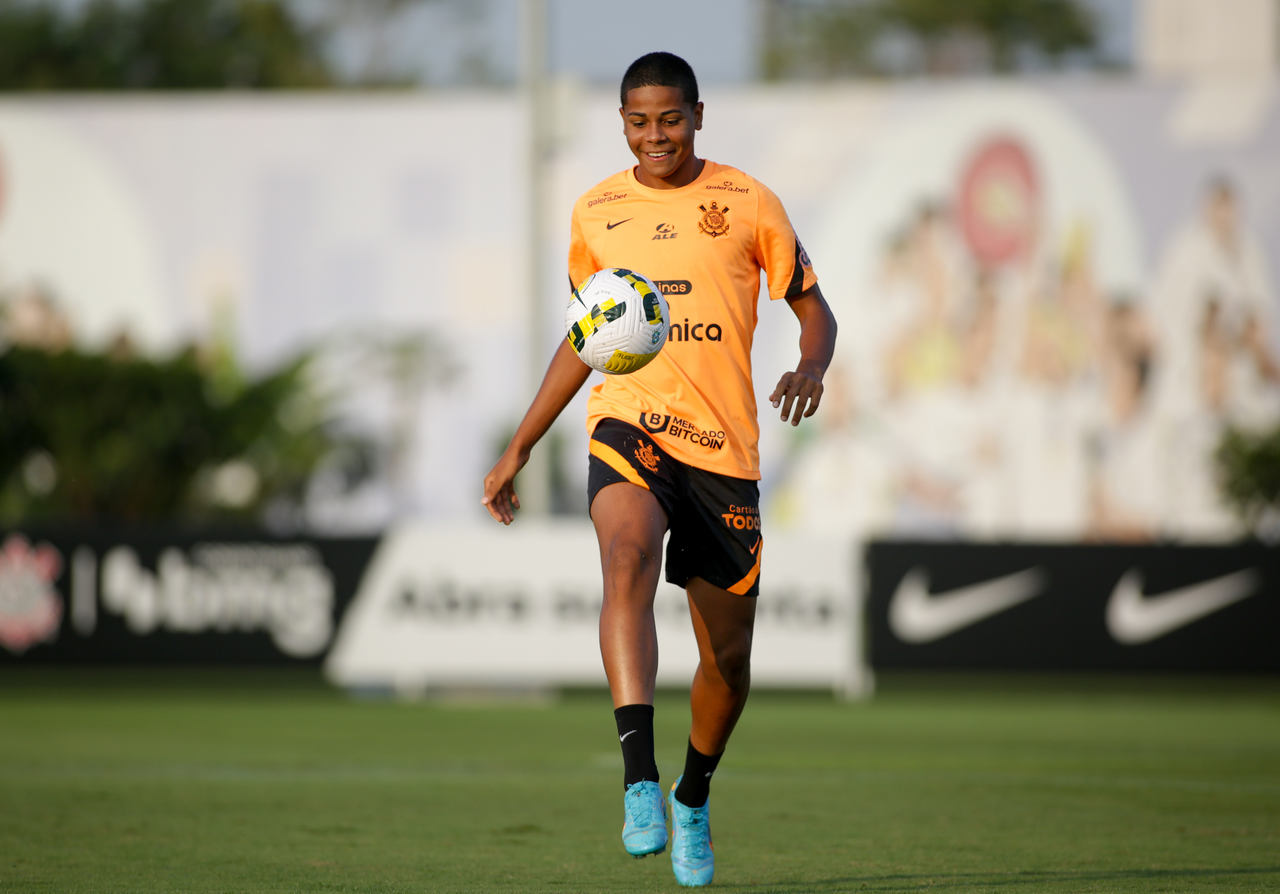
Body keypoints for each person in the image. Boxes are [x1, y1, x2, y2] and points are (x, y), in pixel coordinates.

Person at [482, 51, 836, 887]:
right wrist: (520, 443)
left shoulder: (749, 203)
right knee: (625, 560)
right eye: (639, 122)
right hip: (629, 423)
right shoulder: (597, 211)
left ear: (699, 116)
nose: (655, 136)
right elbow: (589, 342)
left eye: (670, 119)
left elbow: (813, 309)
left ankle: (692, 793)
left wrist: (811, 365)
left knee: (728, 662)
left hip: (724, 451)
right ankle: (639, 778)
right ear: (622, 124)